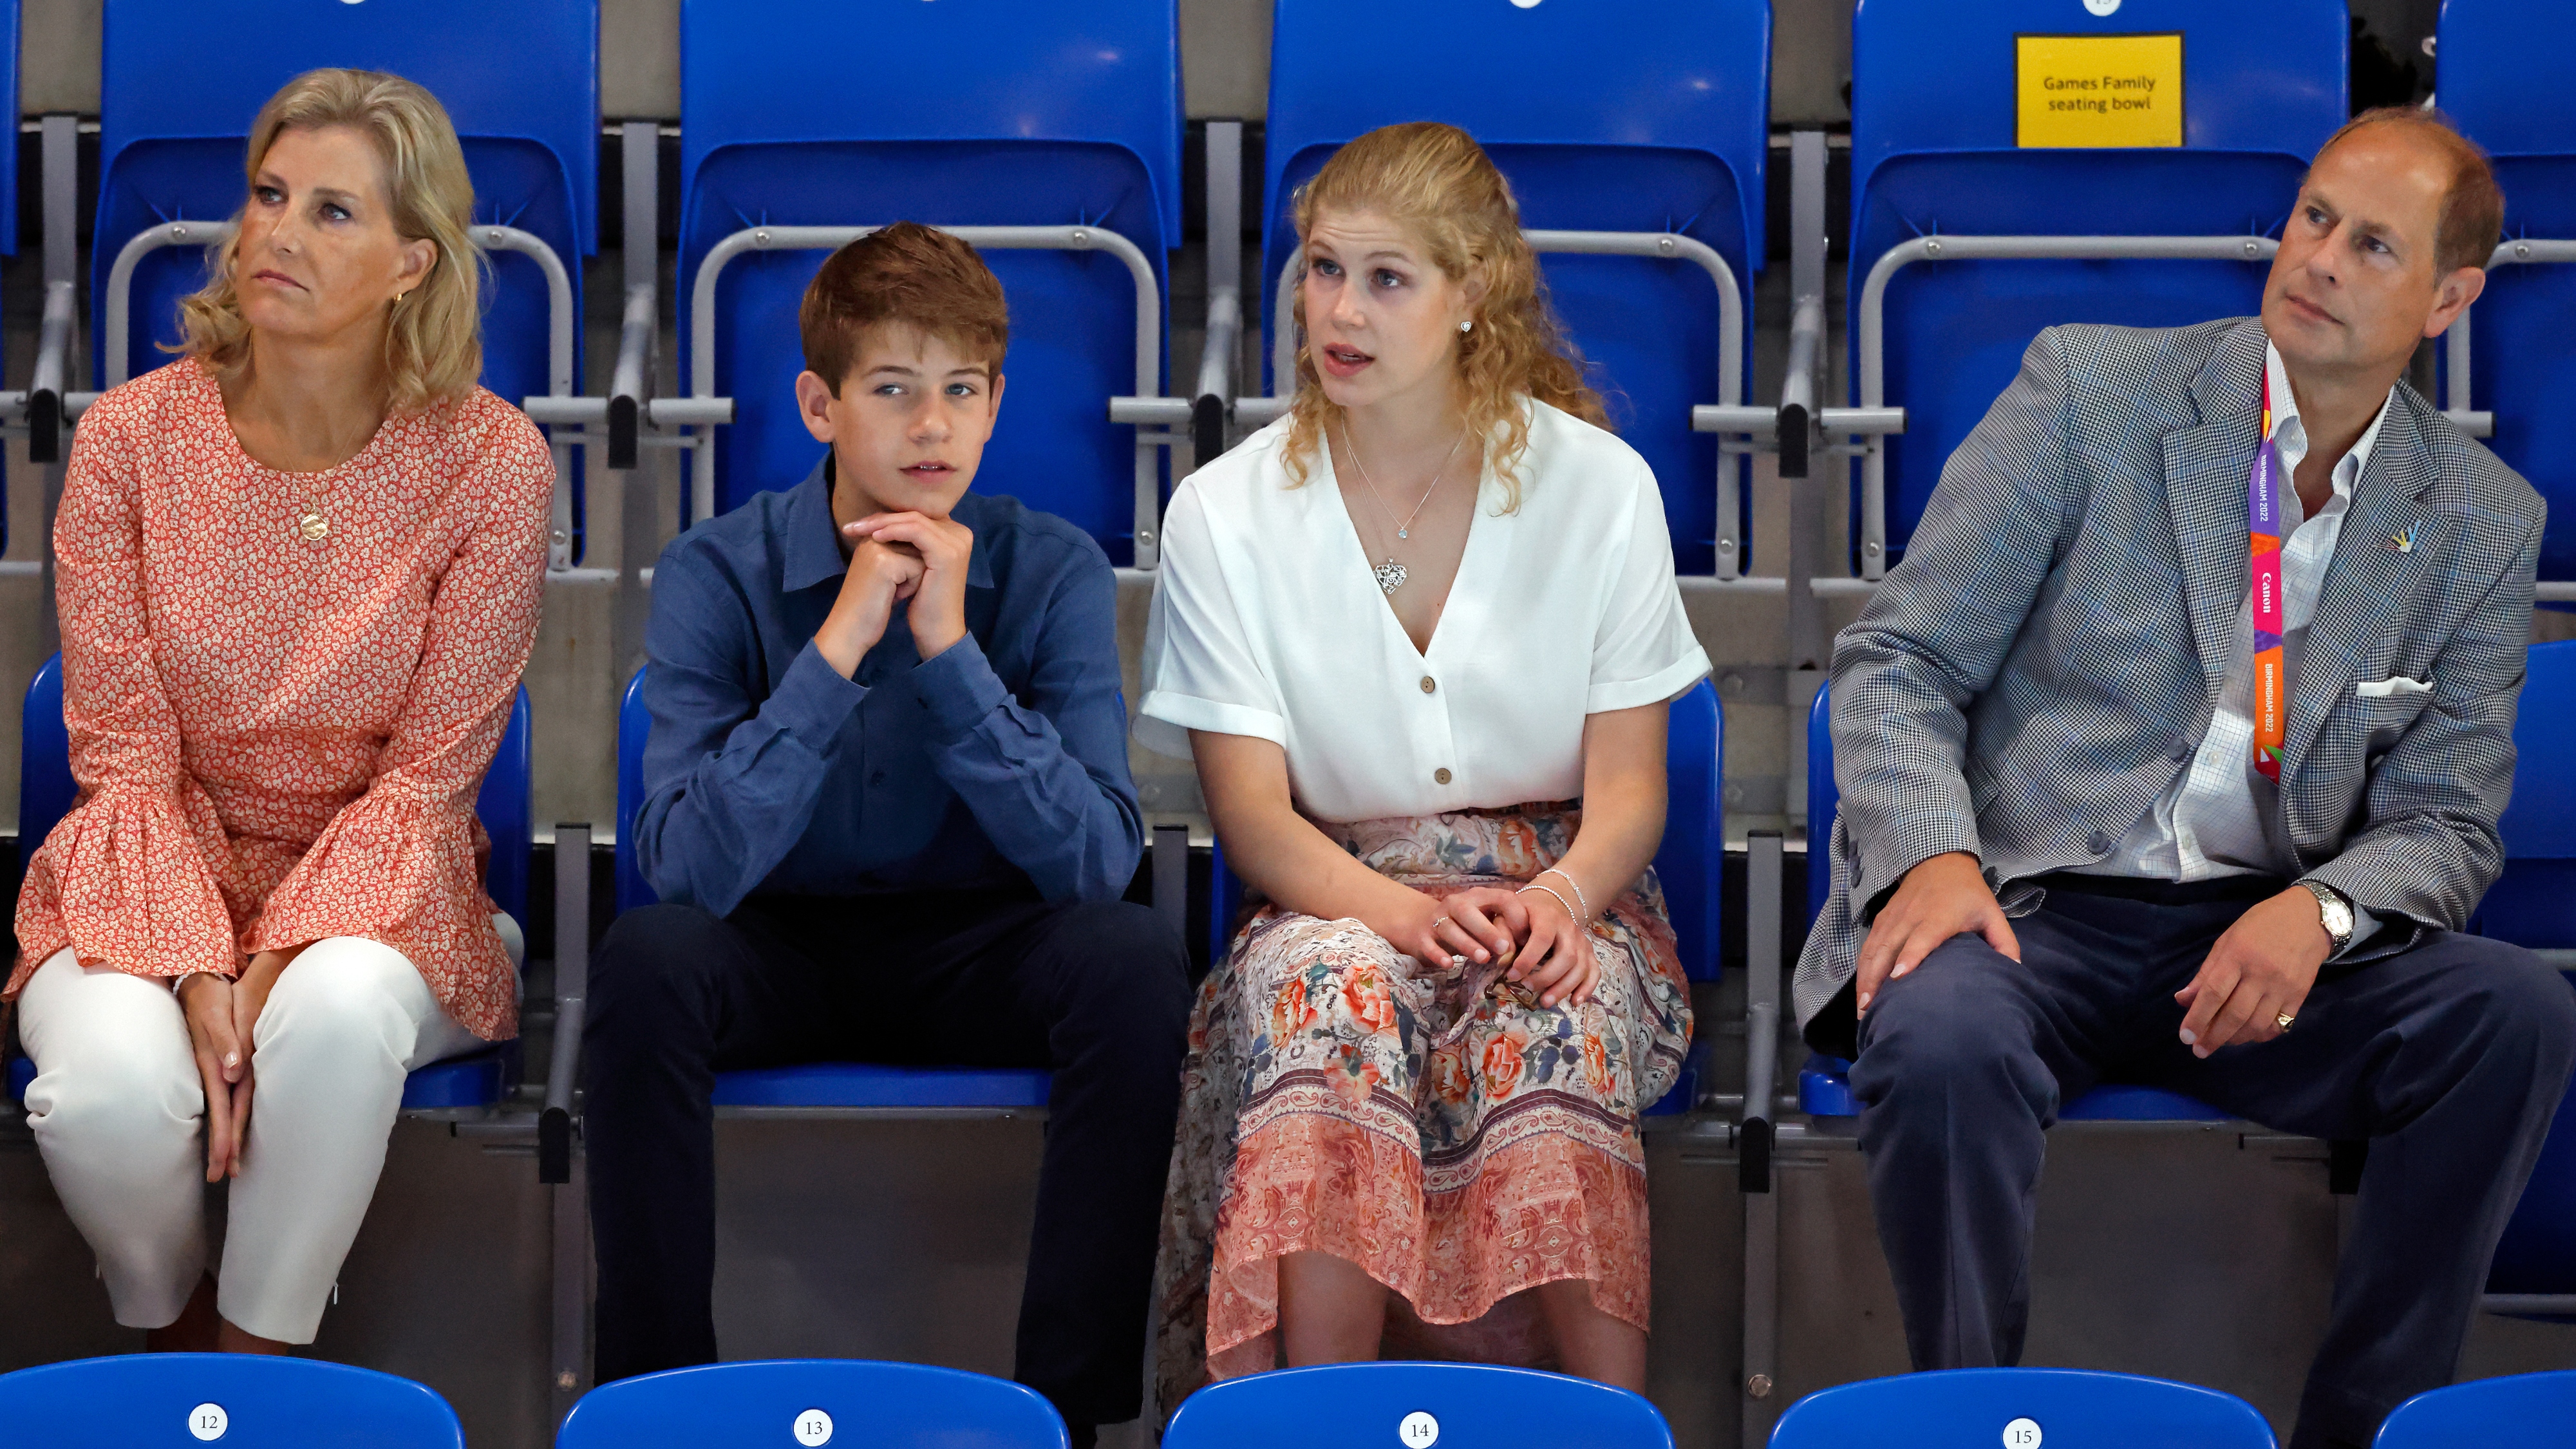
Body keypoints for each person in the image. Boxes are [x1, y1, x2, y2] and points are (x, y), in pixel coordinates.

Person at [1799, 108, 2576, 1449]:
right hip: (2035, 902)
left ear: (2451, 298)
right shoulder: (2092, 393)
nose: (2320, 259)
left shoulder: (2482, 521)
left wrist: (2321, 914)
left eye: (2373, 245)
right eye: (2315, 217)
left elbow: (2448, 819)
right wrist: (1933, 855)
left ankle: (2362, 1428)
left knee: (2512, 1013)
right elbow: (1897, 660)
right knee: (1937, 1037)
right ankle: (1967, 1417)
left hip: (2270, 940)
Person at [583, 222, 1189, 1443]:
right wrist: (840, 645)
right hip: (775, 943)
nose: (932, 428)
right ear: (820, 404)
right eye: (894, 390)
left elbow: (1095, 862)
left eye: (962, 391)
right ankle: (656, 1408)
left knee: (1132, 964)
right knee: (643, 970)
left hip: (983, 946)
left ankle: (1065, 1420)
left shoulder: (1051, 567)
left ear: (996, 402)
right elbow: (683, 869)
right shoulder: (715, 569)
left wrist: (951, 651)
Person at [1138, 122, 1707, 1411]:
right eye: (1324, 269)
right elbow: (1255, 819)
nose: (1339, 310)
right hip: (1339, 889)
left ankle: (1607, 1429)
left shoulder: (1600, 490)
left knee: (1546, 1005)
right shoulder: (1224, 513)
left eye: (1387, 278)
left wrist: (1559, 905)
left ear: (1472, 299)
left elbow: (1630, 793)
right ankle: (1317, 1420)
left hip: (1560, 882)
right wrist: (1405, 915)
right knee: (1327, 989)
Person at [10, 68, 552, 1353]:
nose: (280, 235)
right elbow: (126, 750)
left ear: (414, 263)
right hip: (149, 867)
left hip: (388, 889)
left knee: (335, 1013)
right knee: (106, 1095)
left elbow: (431, 777)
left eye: (332, 212)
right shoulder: (129, 441)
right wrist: (199, 961)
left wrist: (268, 965)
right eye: (268, 197)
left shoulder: (492, 463)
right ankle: (167, 1316)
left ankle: (256, 1371)